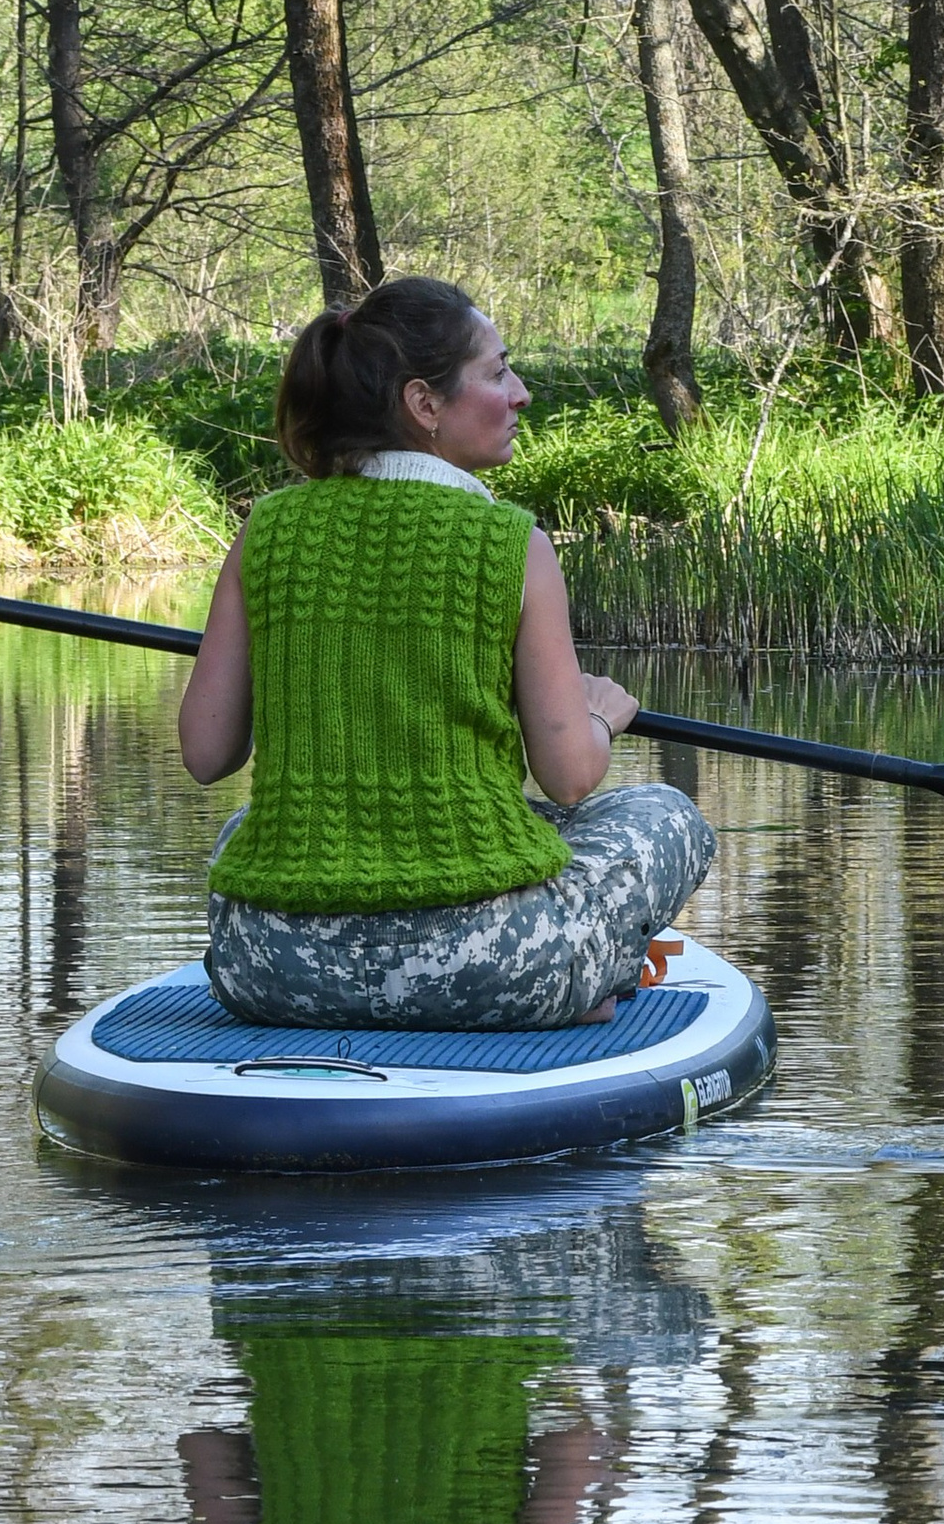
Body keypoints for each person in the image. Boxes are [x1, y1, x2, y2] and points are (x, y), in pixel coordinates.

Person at [177, 275, 716, 1029]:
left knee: (249, 828)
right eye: (498, 372)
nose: (521, 392)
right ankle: (583, 980)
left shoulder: (266, 529)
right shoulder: (511, 543)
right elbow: (569, 778)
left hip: (272, 969)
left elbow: (206, 752)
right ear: (423, 404)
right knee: (667, 814)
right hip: (488, 968)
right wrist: (600, 716)